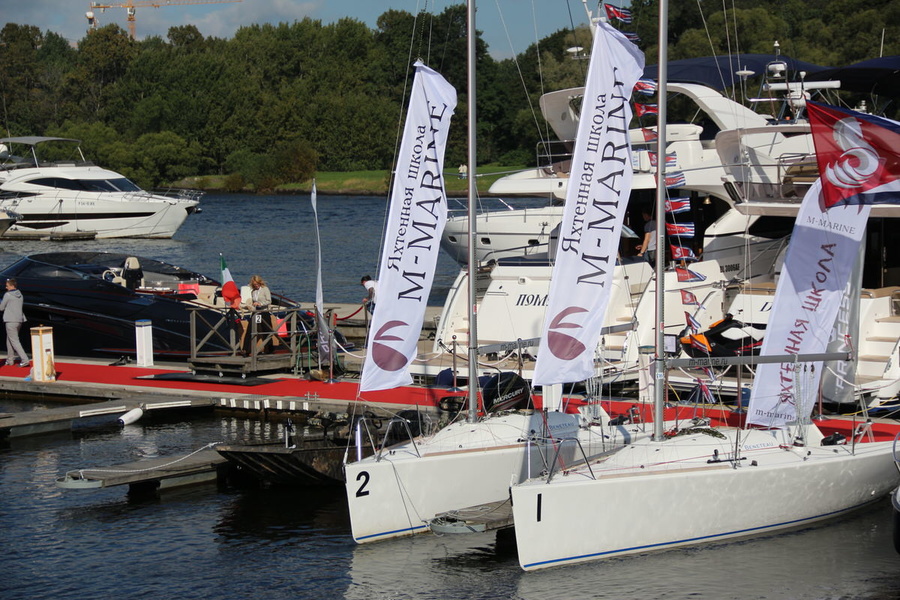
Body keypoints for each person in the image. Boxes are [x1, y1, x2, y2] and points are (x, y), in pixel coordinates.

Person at [0, 278, 29, 367]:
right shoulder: (20, 294)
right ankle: (10, 360)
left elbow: (1, 308)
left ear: (12, 285)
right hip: (19, 320)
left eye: (7, 285)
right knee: (9, 340)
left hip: (10, 320)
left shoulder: (8, 295)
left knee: (15, 341)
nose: (6, 287)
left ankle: (25, 360)